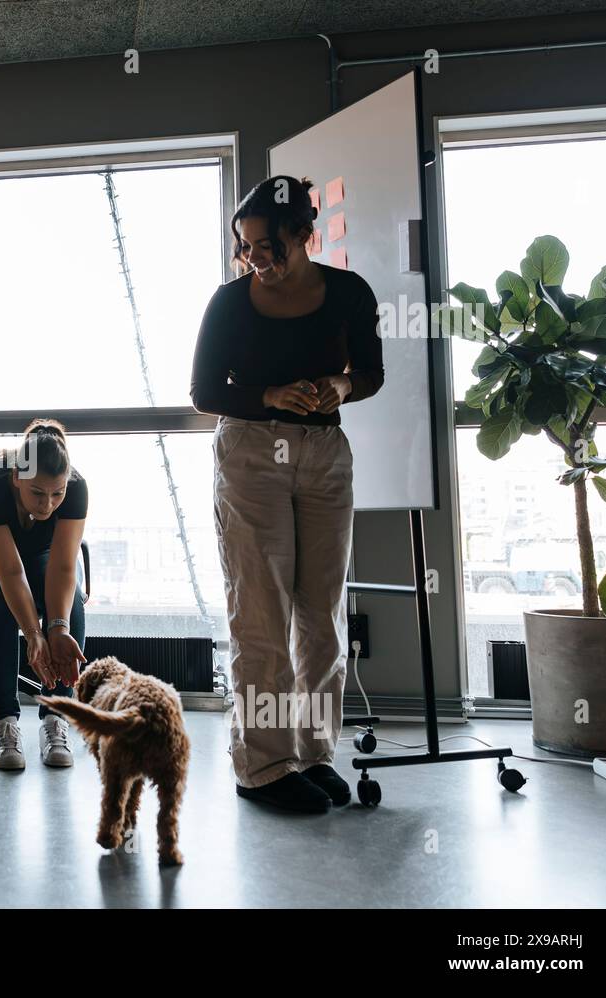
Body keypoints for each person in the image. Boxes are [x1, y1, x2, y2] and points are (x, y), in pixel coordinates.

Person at [189, 174, 384, 814]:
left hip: (324, 453)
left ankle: (312, 751)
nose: (255, 262)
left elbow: (371, 373)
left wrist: (341, 386)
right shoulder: (229, 303)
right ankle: (263, 765)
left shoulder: (349, 293)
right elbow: (204, 392)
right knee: (261, 612)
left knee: (323, 611)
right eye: (246, 249)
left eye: (266, 249)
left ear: (304, 235)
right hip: (249, 450)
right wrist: (269, 396)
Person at [0, 419, 88, 771]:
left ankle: (56, 716)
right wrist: (33, 633)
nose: (48, 505)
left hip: (38, 561)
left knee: (73, 604)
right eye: (37, 493)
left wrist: (57, 629)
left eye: (57, 494)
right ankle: (4, 722)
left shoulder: (76, 487)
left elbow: (63, 568)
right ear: (16, 478)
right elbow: (9, 572)